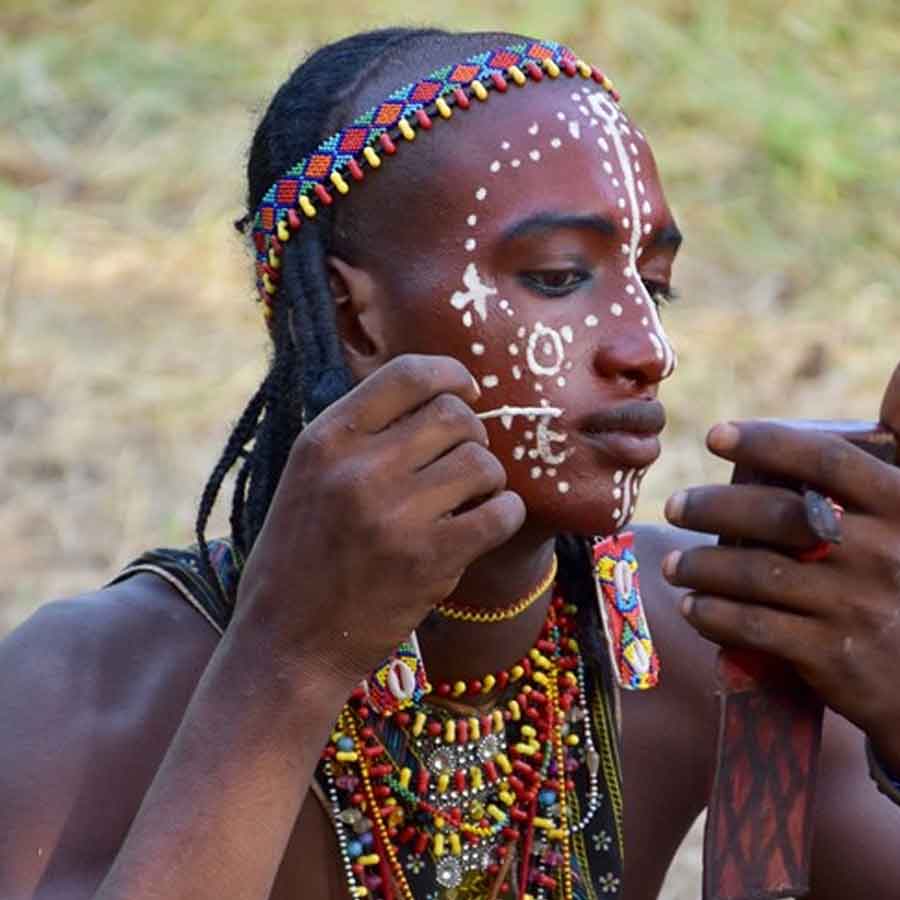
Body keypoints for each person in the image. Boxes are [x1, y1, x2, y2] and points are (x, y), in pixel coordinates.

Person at [1, 27, 899, 900]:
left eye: (654, 285)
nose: (647, 348)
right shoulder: (87, 686)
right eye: (557, 277)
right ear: (358, 321)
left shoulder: (698, 638)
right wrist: (287, 670)